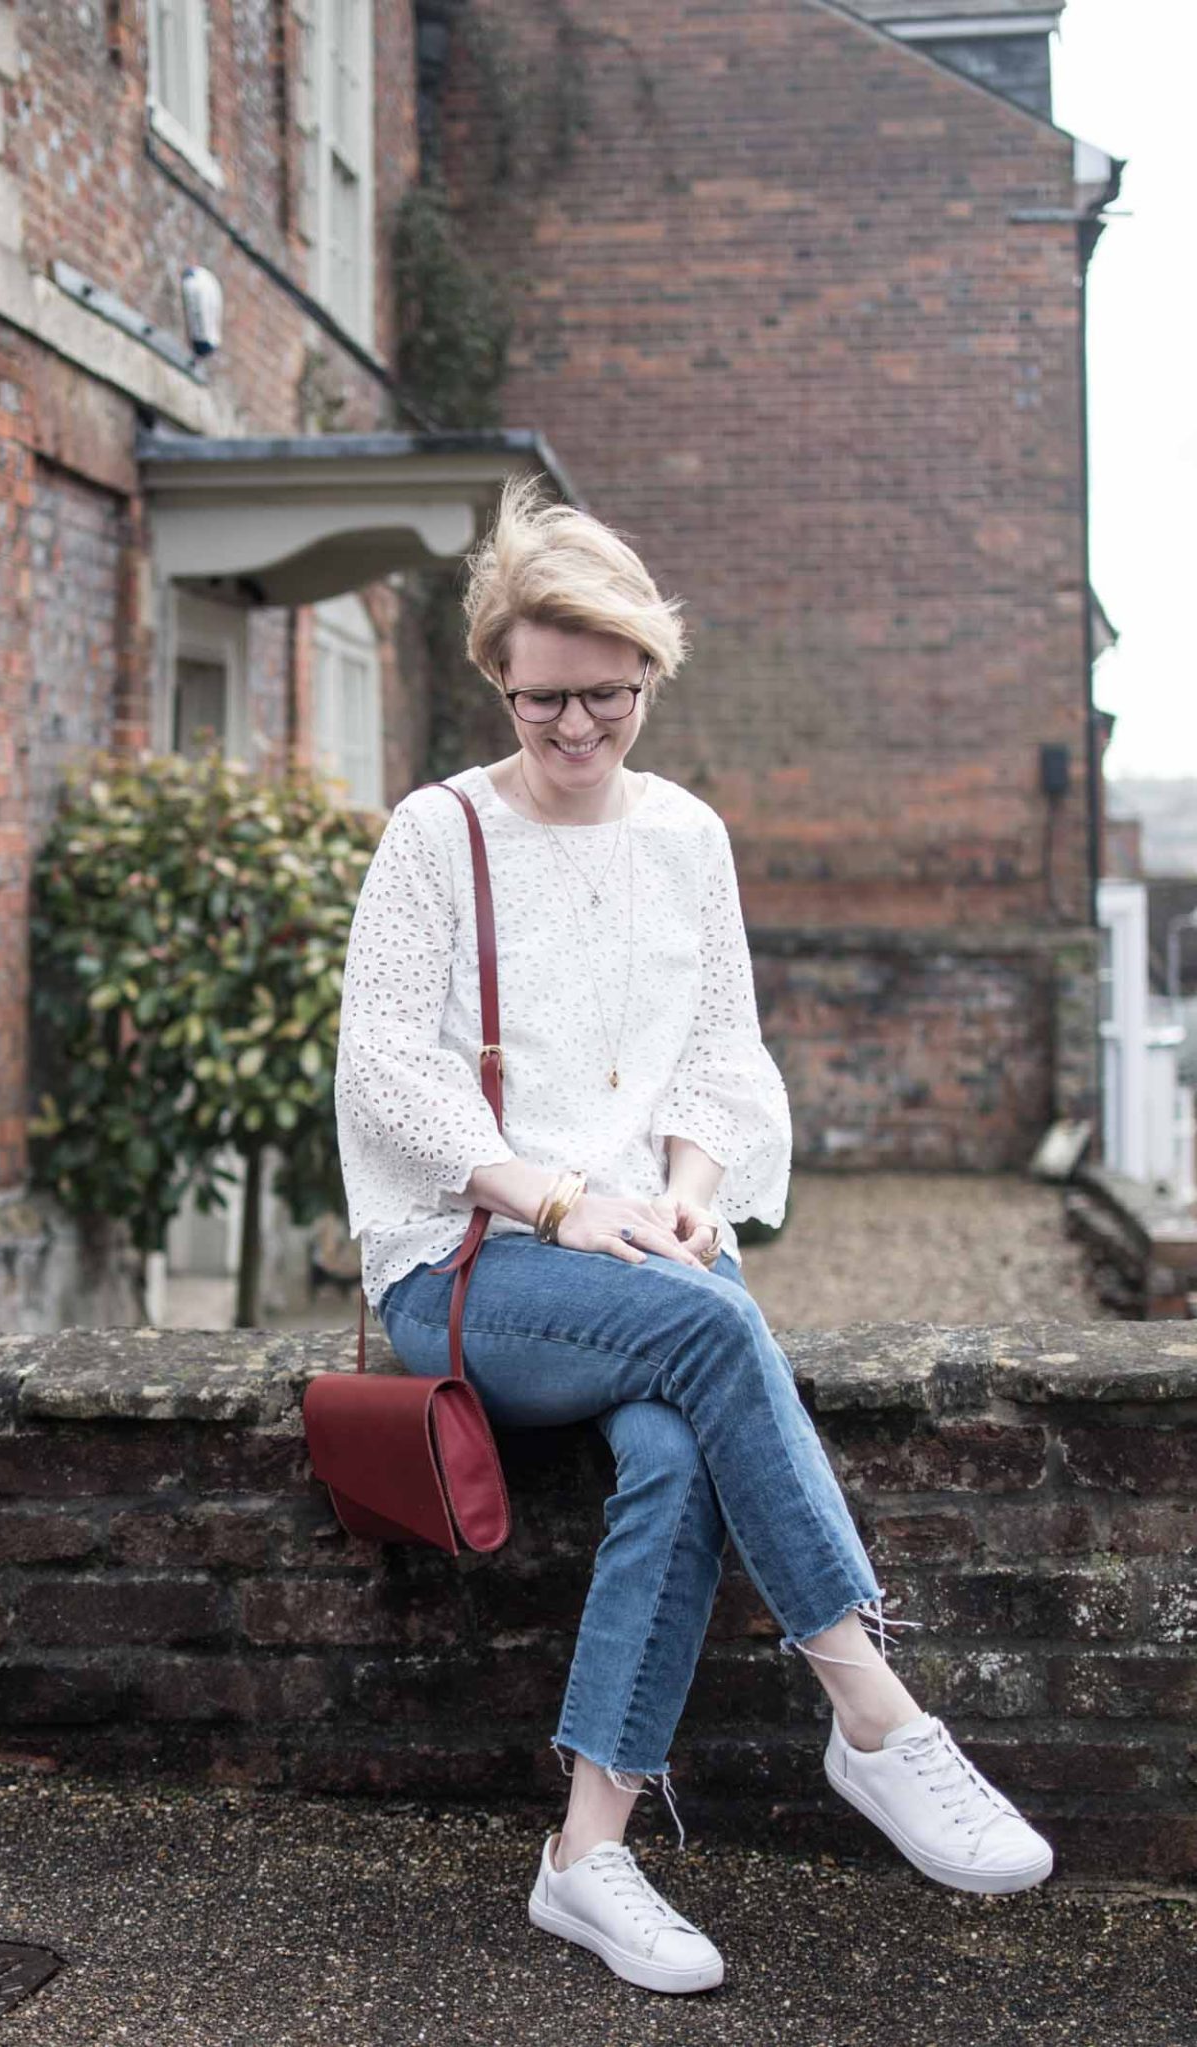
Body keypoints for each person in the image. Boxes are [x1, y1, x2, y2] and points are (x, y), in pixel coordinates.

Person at [334, 477, 1052, 1997]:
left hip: (645, 1259)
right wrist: (551, 1195)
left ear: (651, 672)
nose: (577, 729)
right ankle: (873, 1711)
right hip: (474, 1269)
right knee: (723, 1328)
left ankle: (586, 1855)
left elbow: (724, 1053)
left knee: (674, 1448)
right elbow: (384, 1072)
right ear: (497, 683)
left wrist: (689, 1186)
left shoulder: (688, 839)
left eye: (605, 697)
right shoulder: (434, 833)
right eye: (543, 702)